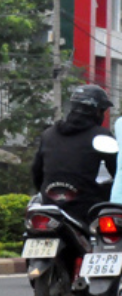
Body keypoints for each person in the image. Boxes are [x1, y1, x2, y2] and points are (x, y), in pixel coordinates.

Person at [32, 84, 117, 224]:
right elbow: (117, 171)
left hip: (49, 207)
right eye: (102, 111)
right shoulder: (101, 136)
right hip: (86, 210)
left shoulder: (48, 134)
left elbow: (37, 173)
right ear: (96, 111)